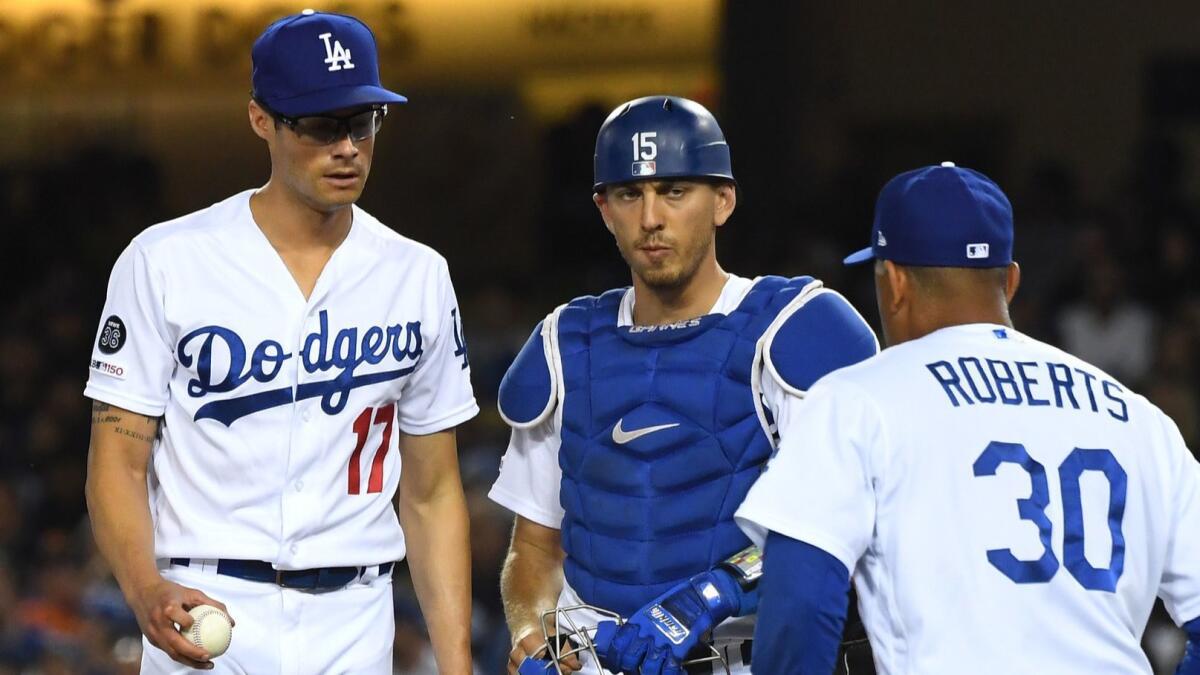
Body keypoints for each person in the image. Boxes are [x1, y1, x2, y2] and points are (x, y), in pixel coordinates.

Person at [83, 11, 477, 674]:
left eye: (363, 122)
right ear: (261, 119)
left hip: (357, 613)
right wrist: (143, 585)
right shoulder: (165, 260)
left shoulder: (419, 275)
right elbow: (117, 462)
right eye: (322, 125)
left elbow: (433, 493)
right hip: (204, 602)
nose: (348, 146)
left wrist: (457, 662)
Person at [735, 162, 1200, 674]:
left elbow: (800, 601)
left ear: (892, 283)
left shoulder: (857, 401)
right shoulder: (1140, 420)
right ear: (1011, 281)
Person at [489, 95, 879, 675]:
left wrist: (716, 590)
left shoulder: (789, 325)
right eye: (629, 194)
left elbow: (840, 523)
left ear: (722, 200)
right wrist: (532, 633)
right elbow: (535, 549)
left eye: (674, 191)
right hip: (596, 660)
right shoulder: (566, 343)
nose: (651, 218)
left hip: (743, 660)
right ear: (603, 208)